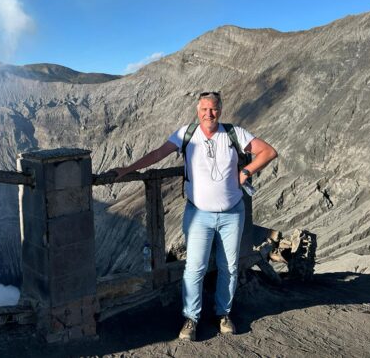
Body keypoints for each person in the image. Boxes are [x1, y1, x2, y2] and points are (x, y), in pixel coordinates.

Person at [111, 91, 277, 341]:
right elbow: (158, 154)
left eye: (213, 109)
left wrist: (246, 170)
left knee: (229, 267)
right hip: (199, 214)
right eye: (204, 109)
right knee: (194, 268)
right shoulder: (186, 134)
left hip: (232, 213)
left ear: (220, 110)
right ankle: (191, 318)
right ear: (197, 111)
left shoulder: (234, 133)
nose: (209, 114)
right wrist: (128, 169)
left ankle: (224, 313)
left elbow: (268, 151)